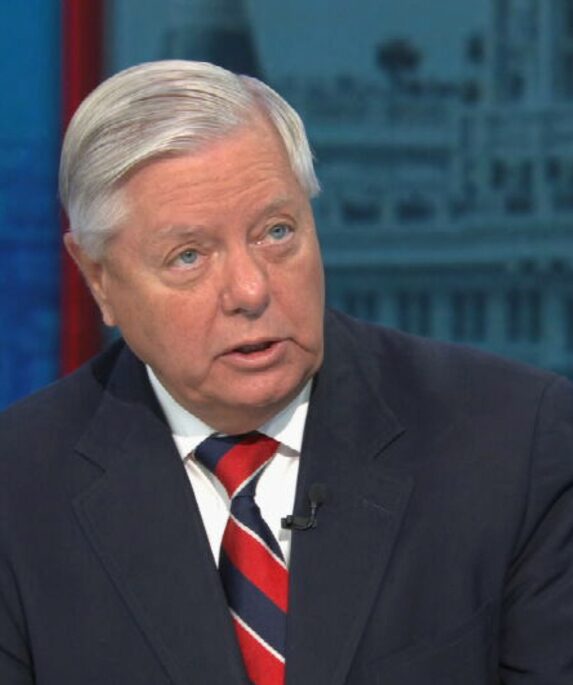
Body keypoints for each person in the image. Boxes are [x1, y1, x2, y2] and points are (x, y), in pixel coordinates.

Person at [0, 60, 572, 685]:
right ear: (99, 278)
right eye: (188, 257)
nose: (251, 290)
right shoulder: (17, 494)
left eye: (276, 232)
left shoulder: (514, 443)